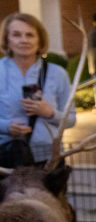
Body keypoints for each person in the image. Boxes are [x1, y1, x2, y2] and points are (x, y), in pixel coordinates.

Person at [0, 13, 75, 167]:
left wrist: (50, 113)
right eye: (16, 35)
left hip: (48, 159)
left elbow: (72, 120)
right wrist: (5, 126)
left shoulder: (57, 73)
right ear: (6, 40)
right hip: (6, 158)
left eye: (30, 35)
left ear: (40, 40)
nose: (24, 40)